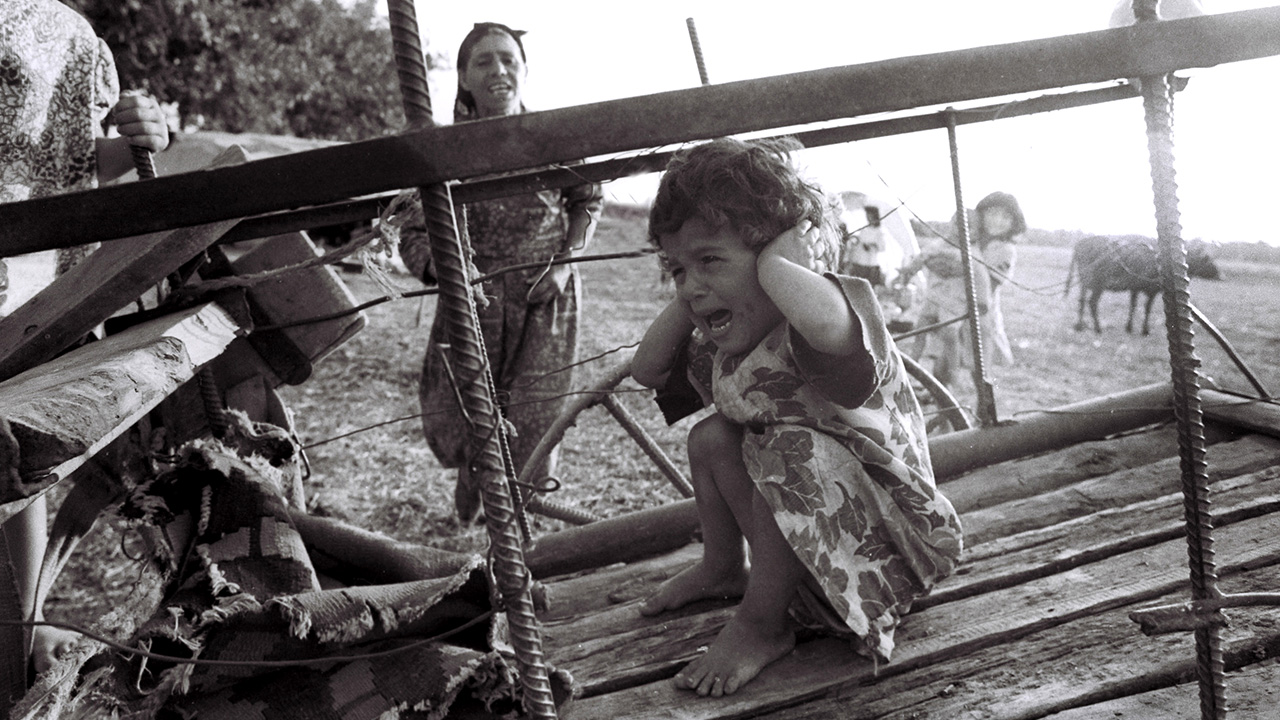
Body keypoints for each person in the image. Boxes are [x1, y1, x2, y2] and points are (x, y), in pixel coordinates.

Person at [631, 137, 962, 697]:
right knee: (712, 437)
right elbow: (647, 369)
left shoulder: (826, 311)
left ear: (782, 260)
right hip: (808, 549)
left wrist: (775, 265)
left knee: (790, 449)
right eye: (675, 268)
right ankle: (723, 566)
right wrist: (697, 283)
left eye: (710, 259)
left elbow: (832, 330)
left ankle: (762, 625)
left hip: (884, 550)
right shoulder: (733, 346)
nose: (688, 285)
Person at [0, 0, 170, 677]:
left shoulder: (64, 33)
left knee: (16, 454)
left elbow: (70, 162)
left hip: (23, 275)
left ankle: (25, 624)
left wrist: (141, 137)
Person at [399, 22, 603, 521]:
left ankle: (520, 517)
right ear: (464, 77)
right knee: (465, 415)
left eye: (509, 59)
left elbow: (588, 201)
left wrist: (565, 264)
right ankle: (476, 489)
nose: (499, 69)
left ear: (525, 71)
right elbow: (409, 232)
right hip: (472, 302)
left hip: (546, 297)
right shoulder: (442, 149)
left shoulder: (552, 138)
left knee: (537, 415)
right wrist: (448, 272)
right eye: (485, 61)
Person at [970, 191, 1026, 367]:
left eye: (1005, 217)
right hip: (956, 302)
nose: (998, 221)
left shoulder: (1005, 250)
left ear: (1014, 223)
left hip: (982, 307)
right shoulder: (972, 240)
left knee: (979, 359)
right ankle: (939, 389)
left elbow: (991, 284)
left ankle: (984, 393)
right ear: (981, 214)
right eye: (992, 214)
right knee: (947, 354)